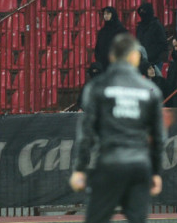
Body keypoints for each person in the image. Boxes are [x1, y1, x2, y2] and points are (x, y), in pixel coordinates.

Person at [70, 34, 164, 223]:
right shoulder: (149, 90)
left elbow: (86, 132)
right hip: (139, 166)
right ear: (135, 57)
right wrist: (155, 172)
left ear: (112, 57)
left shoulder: (97, 86)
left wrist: (80, 169)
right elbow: (158, 137)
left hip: (110, 163)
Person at [93, 7, 129, 74]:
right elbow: (98, 48)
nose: (106, 16)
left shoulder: (121, 31)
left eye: (108, 14)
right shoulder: (102, 31)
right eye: (104, 14)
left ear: (113, 15)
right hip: (104, 66)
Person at [135, 3, 168, 68]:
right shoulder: (140, 27)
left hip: (155, 62)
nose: (142, 13)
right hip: (143, 62)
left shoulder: (157, 26)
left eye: (144, 11)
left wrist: (152, 54)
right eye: (140, 11)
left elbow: (163, 44)